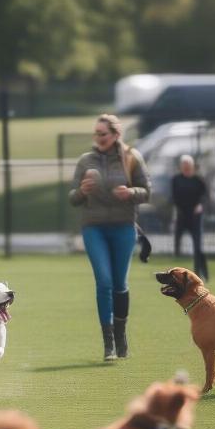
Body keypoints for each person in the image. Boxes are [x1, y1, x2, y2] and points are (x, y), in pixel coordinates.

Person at [69, 113, 151, 361]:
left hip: (123, 227)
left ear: (116, 135)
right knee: (104, 282)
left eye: (102, 134)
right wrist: (82, 191)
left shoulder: (131, 158)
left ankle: (120, 334)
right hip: (94, 228)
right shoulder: (85, 161)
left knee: (119, 284)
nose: (98, 138)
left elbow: (147, 192)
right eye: (96, 133)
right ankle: (109, 344)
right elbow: (72, 198)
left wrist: (131, 192)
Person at [171, 154, 209, 281]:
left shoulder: (199, 180)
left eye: (189, 166)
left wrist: (200, 205)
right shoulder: (176, 179)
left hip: (195, 217)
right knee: (177, 244)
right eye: (184, 166)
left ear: (193, 167)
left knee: (197, 247)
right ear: (181, 167)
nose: (187, 169)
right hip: (182, 216)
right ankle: (176, 275)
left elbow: (205, 197)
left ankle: (199, 273)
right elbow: (174, 197)